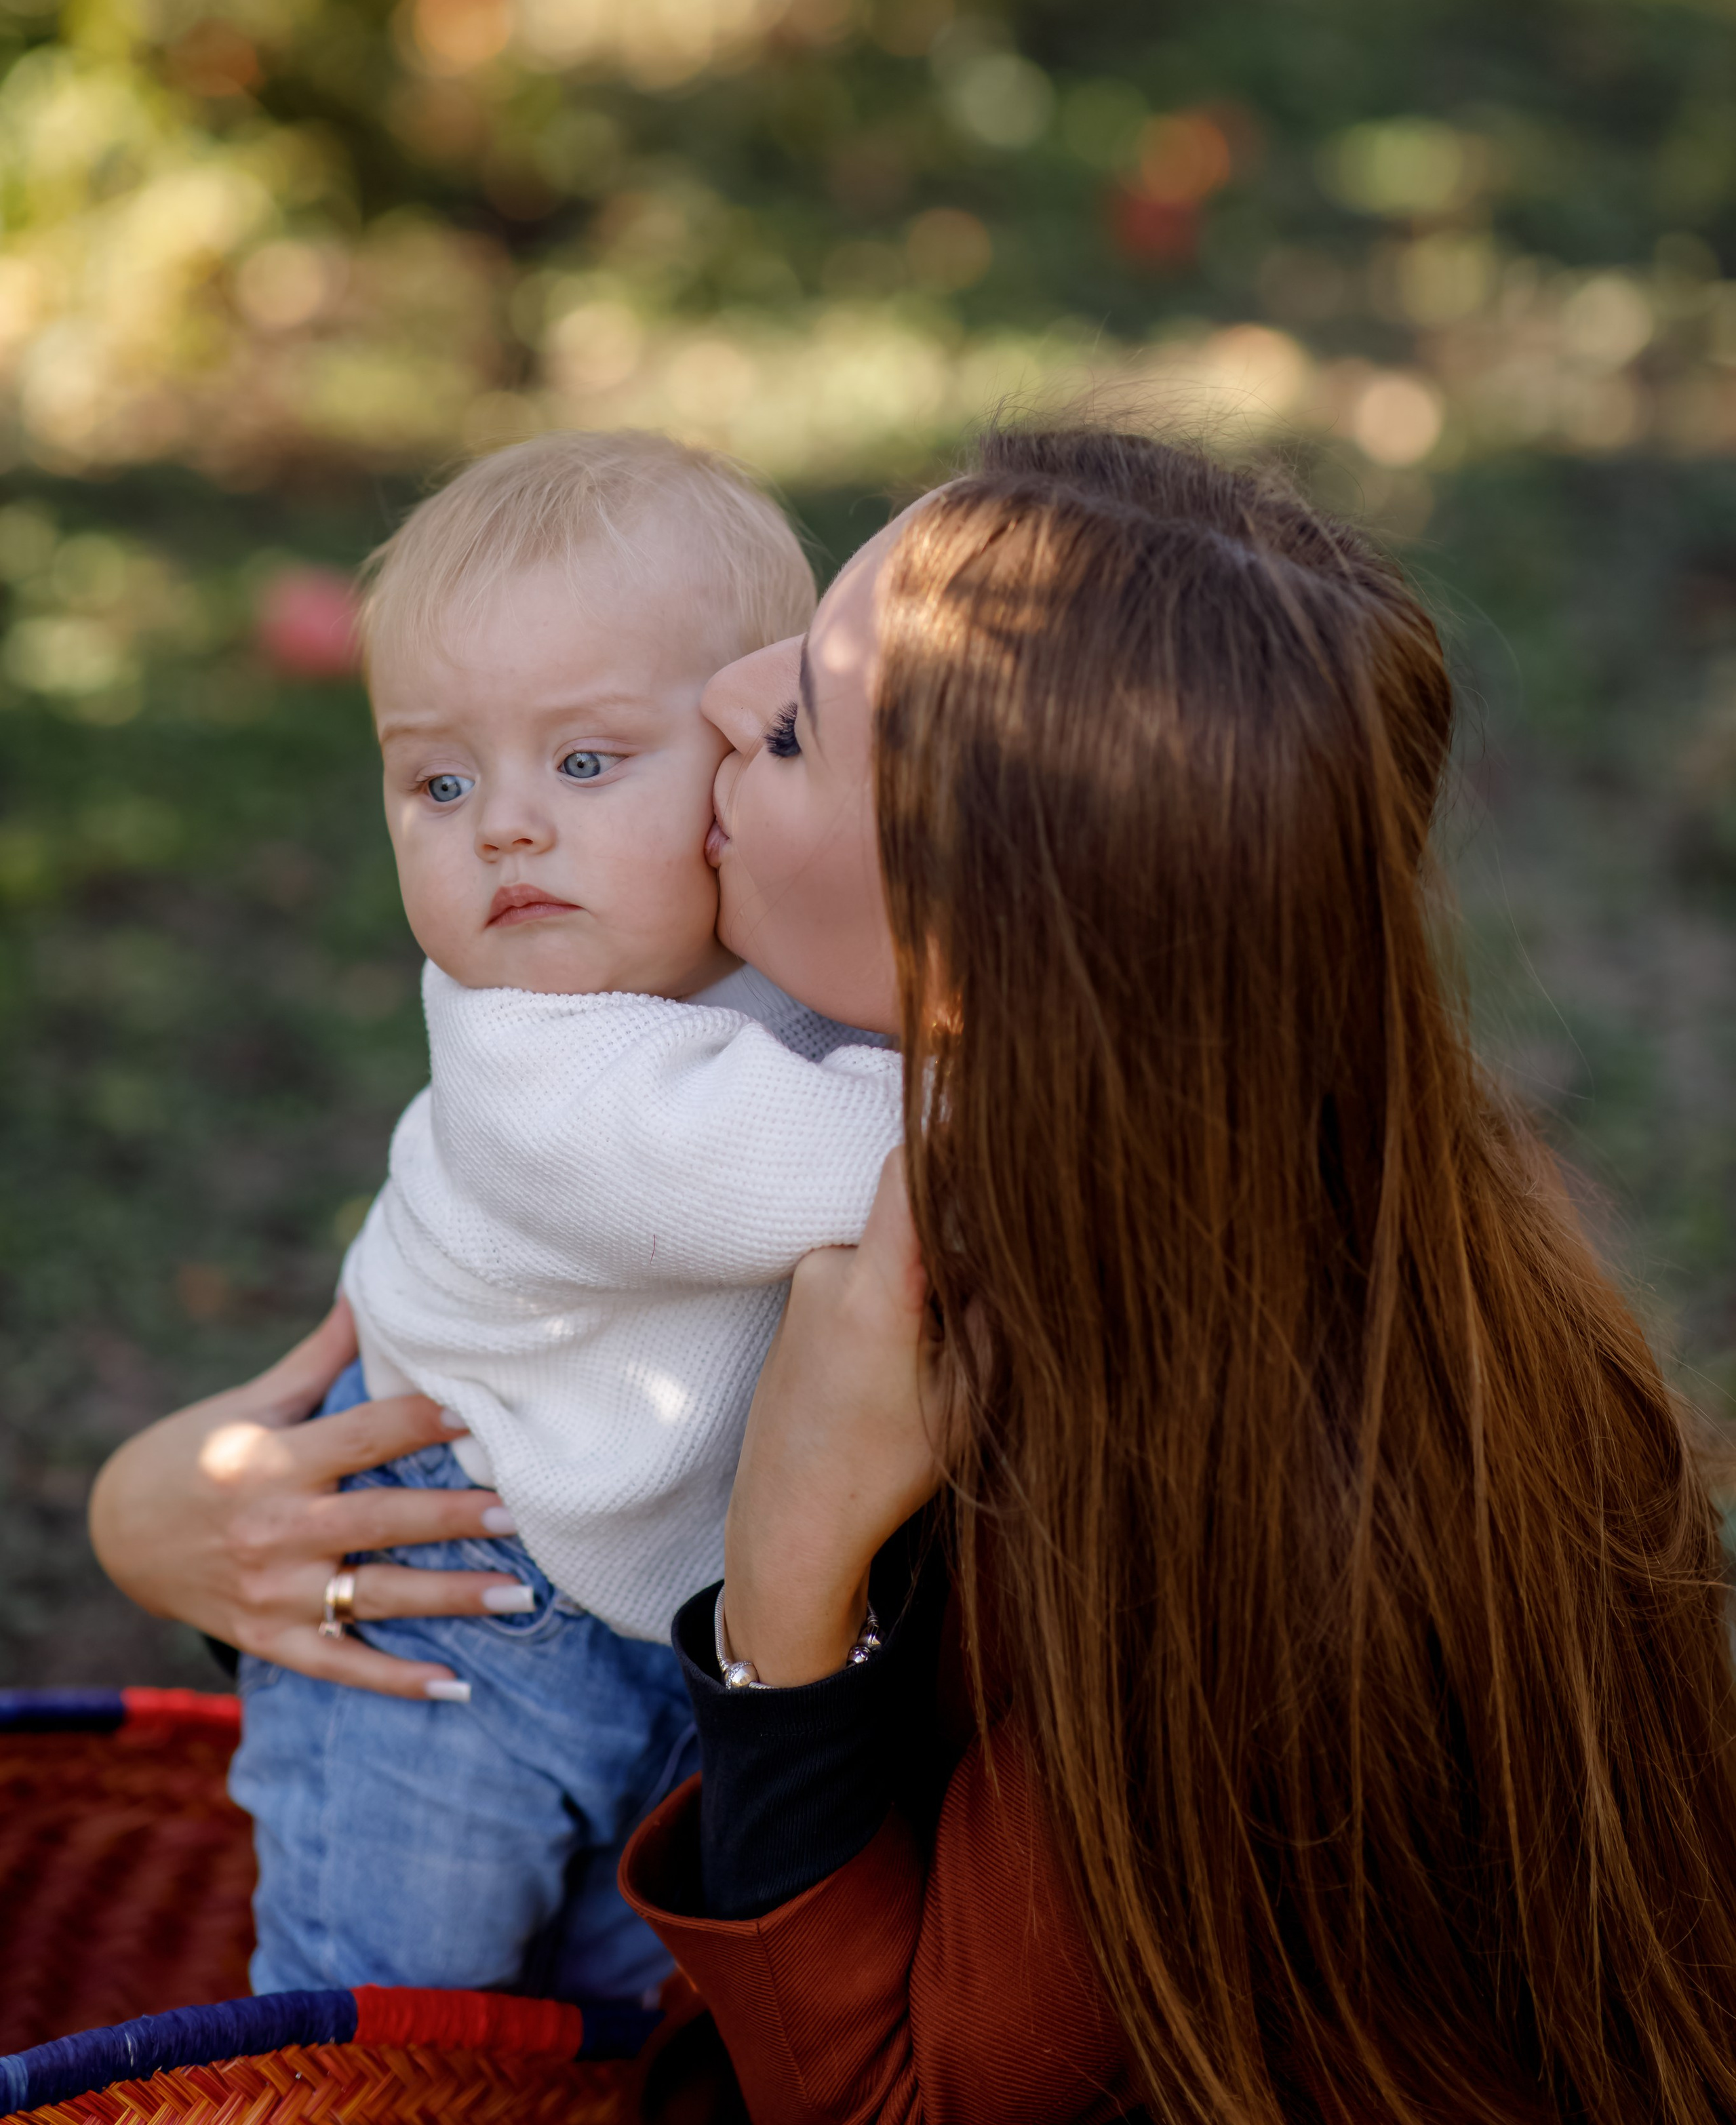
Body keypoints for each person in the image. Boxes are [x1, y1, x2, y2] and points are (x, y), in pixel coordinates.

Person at [93, 428, 1736, 2123]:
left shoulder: (1234, 1530)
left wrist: (791, 1578)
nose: (724, 695)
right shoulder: (1235, 1189)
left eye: (796, 714)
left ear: (981, 937)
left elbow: (888, 2098)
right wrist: (151, 1509)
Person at [224, 430, 903, 2002]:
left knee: (607, 2011)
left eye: (584, 762)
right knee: (393, 2000)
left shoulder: (759, 964)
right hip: (450, 1595)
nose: (503, 826)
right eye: (437, 779)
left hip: (630, 1600)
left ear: (744, 757)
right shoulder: (533, 1055)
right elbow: (856, 1162)